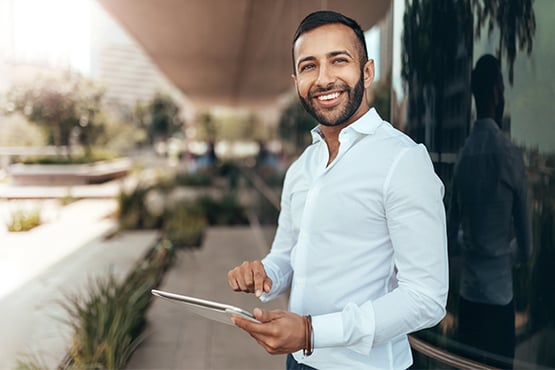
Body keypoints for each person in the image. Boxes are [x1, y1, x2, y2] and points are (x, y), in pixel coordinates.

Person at [228, 10, 448, 369]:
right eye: (309, 66)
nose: (324, 78)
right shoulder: (301, 168)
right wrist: (264, 274)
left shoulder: (403, 161)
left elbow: (426, 298)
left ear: (367, 71)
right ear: (296, 79)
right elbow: (286, 255)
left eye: (338, 61)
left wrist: (312, 332)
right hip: (298, 362)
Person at [447, 54, 532, 368]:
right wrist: (500, 252)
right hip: (499, 303)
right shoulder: (510, 156)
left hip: (470, 301)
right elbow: (526, 249)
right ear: (497, 92)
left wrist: (473, 243)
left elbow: (451, 238)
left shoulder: (463, 159)